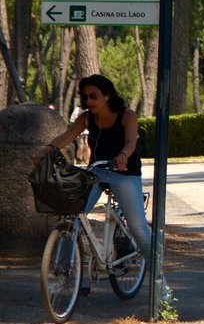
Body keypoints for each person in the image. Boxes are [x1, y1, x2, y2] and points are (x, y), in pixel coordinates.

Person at [35, 74, 167, 299]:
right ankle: (62, 275)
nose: (89, 101)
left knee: (138, 227)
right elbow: (67, 136)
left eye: (93, 96)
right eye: (86, 97)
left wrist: (124, 155)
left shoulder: (127, 115)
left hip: (125, 174)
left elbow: (131, 141)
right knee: (73, 213)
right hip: (97, 171)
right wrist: (46, 150)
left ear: (107, 95)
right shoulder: (86, 118)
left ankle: (160, 280)